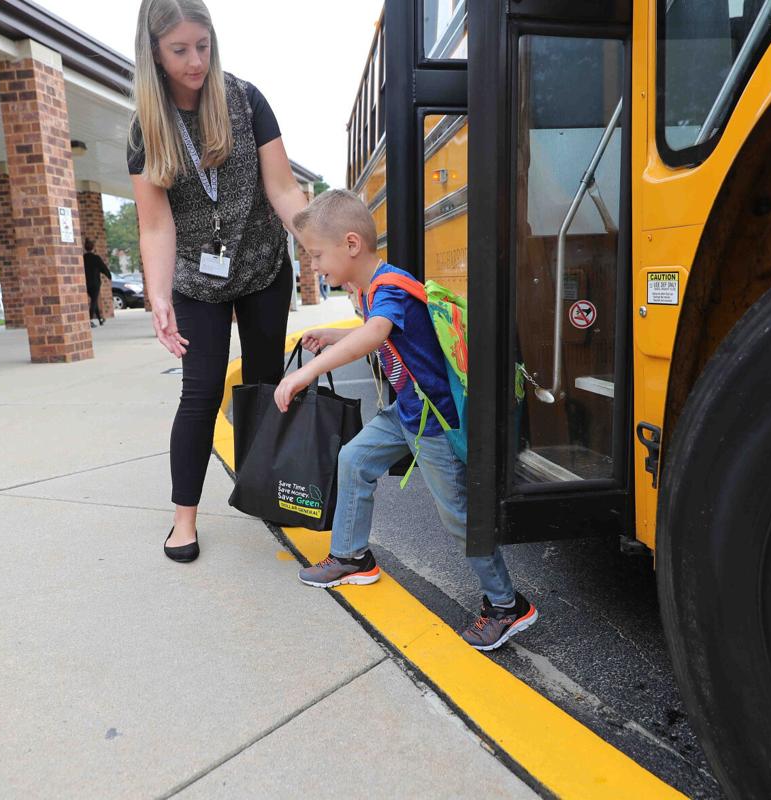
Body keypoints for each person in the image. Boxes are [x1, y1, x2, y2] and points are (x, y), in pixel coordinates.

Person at [274, 190, 538, 651]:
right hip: (407, 413)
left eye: (317, 254)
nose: (314, 266)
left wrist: (307, 372)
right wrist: (332, 335)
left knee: (458, 516)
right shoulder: (372, 289)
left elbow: (377, 333)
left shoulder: (389, 285)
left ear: (351, 244)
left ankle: (506, 605)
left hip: (433, 422)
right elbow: (381, 333)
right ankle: (352, 557)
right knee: (354, 459)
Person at [128, 0, 310, 564]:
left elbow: (282, 190)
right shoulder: (146, 130)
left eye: (203, 46)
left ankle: (268, 493)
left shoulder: (246, 101)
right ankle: (184, 518)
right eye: (179, 50)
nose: (195, 61)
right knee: (201, 392)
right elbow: (155, 225)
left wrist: (319, 247)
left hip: (260, 266)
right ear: (154, 53)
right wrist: (158, 296)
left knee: (263, 383)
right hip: (194, 279)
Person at [83, 239, 113, 327]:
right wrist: (109, 276)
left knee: (94, 300)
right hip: (95, 283)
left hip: (86, 283)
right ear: (93, 248)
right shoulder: (96, 258)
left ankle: (100, 319)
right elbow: (103, 268)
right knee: (94, 300)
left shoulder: (83, 258)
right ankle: (90, 320)